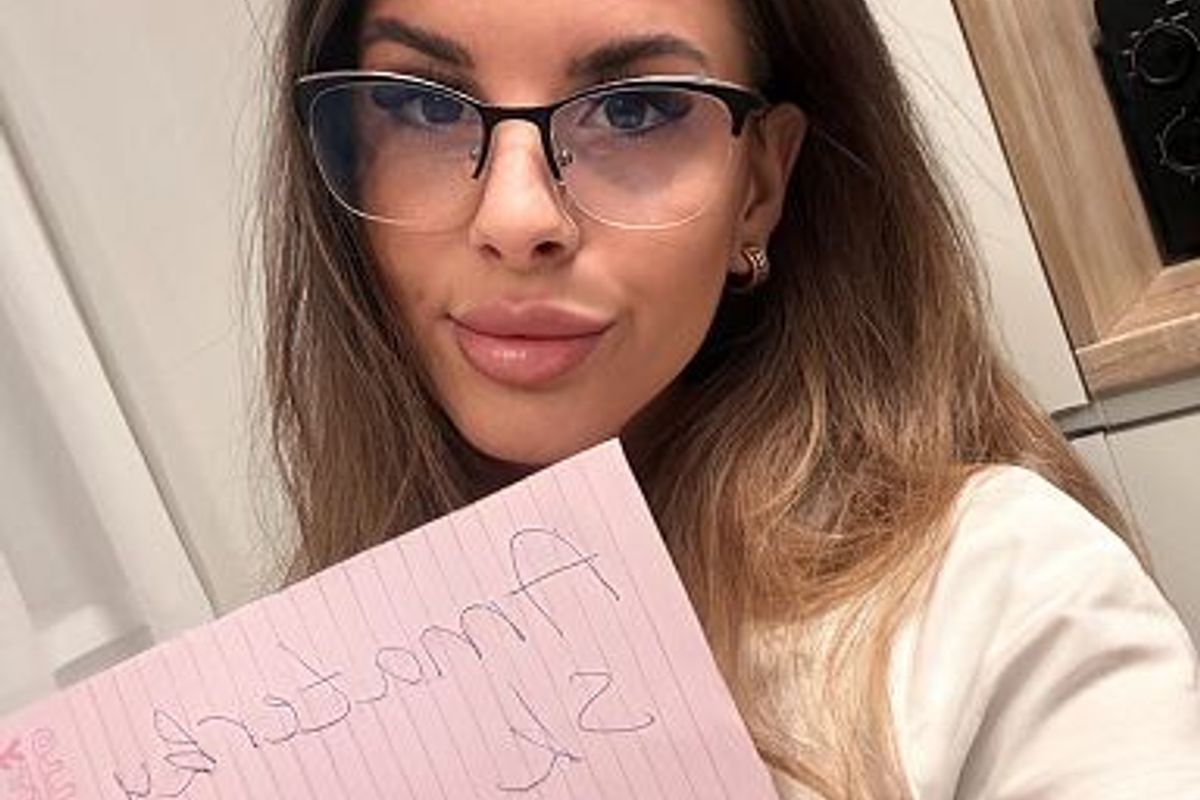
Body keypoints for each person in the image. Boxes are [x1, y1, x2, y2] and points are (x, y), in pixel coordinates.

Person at [258, 0, 1200, 795]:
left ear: (759, 184)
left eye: (634, 110)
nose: (515, 218)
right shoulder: (308, 696)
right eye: (420, 105)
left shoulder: (1003, 598)